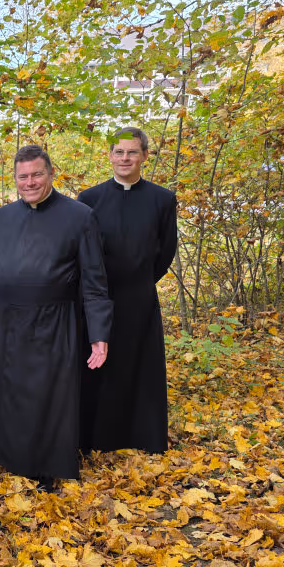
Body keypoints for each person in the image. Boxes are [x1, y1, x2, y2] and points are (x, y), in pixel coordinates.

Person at [0, 145, 112, 487]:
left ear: (51, 173)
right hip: (5, 320)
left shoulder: (80, 216)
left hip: (54, 320)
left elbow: (95, 282)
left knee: (45, 394)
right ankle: (8, 456)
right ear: (15, 178)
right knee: (8, 389)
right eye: (22, 176)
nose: (29, 182)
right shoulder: (2, 217)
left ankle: (44, 466)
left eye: (36, 174)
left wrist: (99, 334)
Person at [77, 127, 178, 454]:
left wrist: (142, 280)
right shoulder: (89, 199)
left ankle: (141, 437)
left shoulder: (163, 199)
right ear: (109, 156)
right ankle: (97, 438)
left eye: (132, 152)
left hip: (139, 296)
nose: (124, 158)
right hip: (98, 298)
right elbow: (81, 251)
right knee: (99, 366)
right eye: (118, 152)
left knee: (139, 367)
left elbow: (166, 250)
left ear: (144, 156)